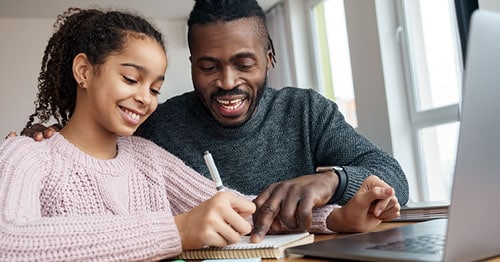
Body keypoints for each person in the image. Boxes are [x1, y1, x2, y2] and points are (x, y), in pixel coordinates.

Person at [8, 0, 406, 244]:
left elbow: (244, 211)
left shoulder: (305, 111)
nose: (228, 82)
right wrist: (44, 139)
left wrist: (334, 209)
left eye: (155, 87)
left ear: (268, 57)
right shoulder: (151, 131)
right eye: (209, 67)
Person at [0, 7, 258, 260]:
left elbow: (238, 210)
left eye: (155, 89)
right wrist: (177, 231)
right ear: (84, 71)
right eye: (131, 79)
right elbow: (7, 241)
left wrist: (288, 199)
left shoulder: (148, 157)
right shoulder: (26, 155)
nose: (145, 98)